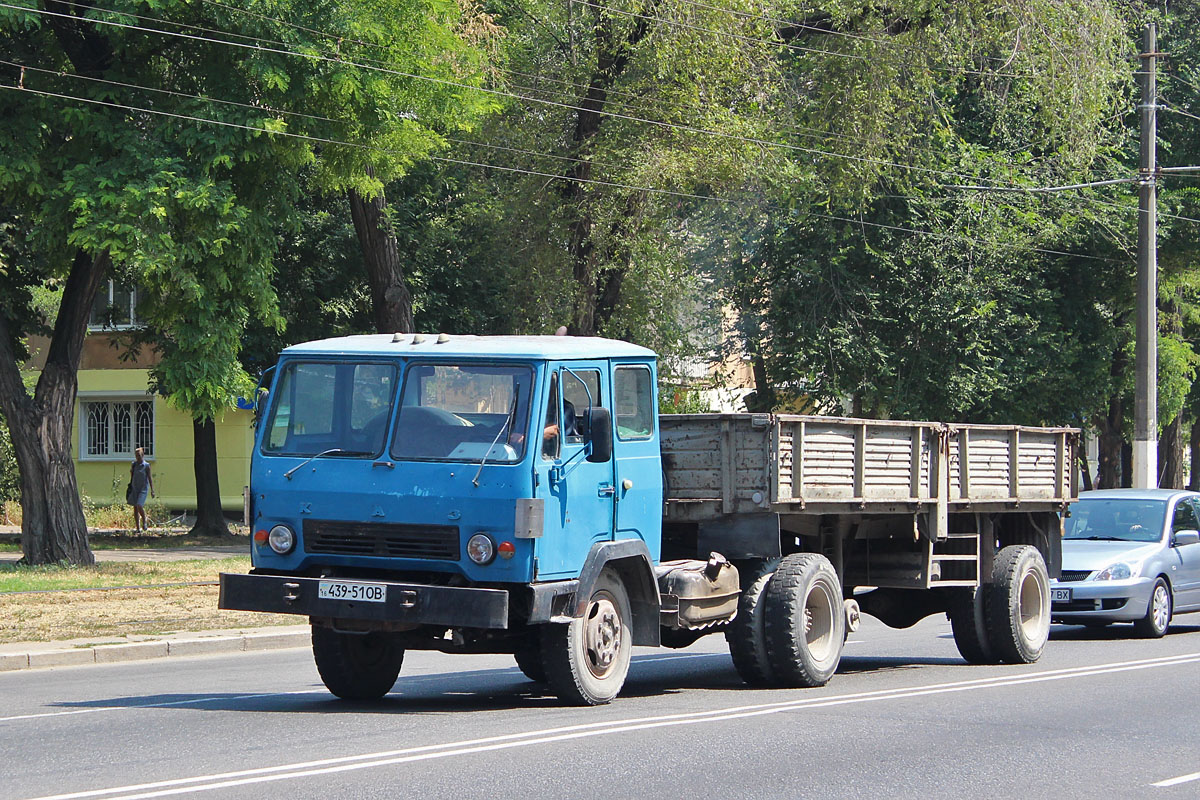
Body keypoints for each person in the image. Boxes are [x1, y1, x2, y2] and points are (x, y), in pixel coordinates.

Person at [129, 447, 155, 532]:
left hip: (143, 488)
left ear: (142, 455)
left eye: (139, 455)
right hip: (135, 488)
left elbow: (149, 478)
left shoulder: (146, 465)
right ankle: (137, 528)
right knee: (135, 508)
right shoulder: (134, 464)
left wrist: (152, 490)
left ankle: (144, 520)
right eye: (136, 455)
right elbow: (132, 476)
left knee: (139, 505)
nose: (137, 457)